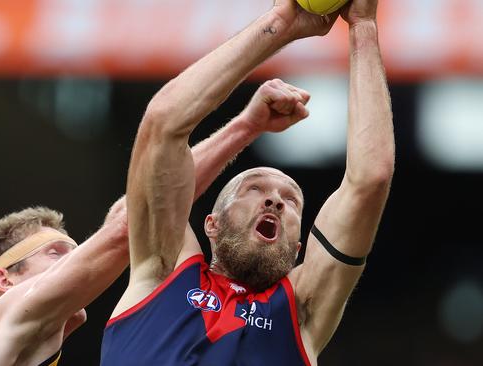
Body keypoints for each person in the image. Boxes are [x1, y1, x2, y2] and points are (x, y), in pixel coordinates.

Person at [0, 77, 310, 365]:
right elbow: (126, 223)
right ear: (4, 278)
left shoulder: (17, 348)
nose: (78, 262)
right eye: (56, 252)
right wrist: (245, 125)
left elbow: (122, 220)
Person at [101, 0, 393, 365]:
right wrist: (279, 24)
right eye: (254, 189)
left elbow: (370, 179)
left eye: (290, 201)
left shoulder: (301, 312)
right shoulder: (163, 270)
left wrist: (363, 26)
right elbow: (163, 123)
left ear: (299, 248)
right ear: (211, 224)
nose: (274, 201)